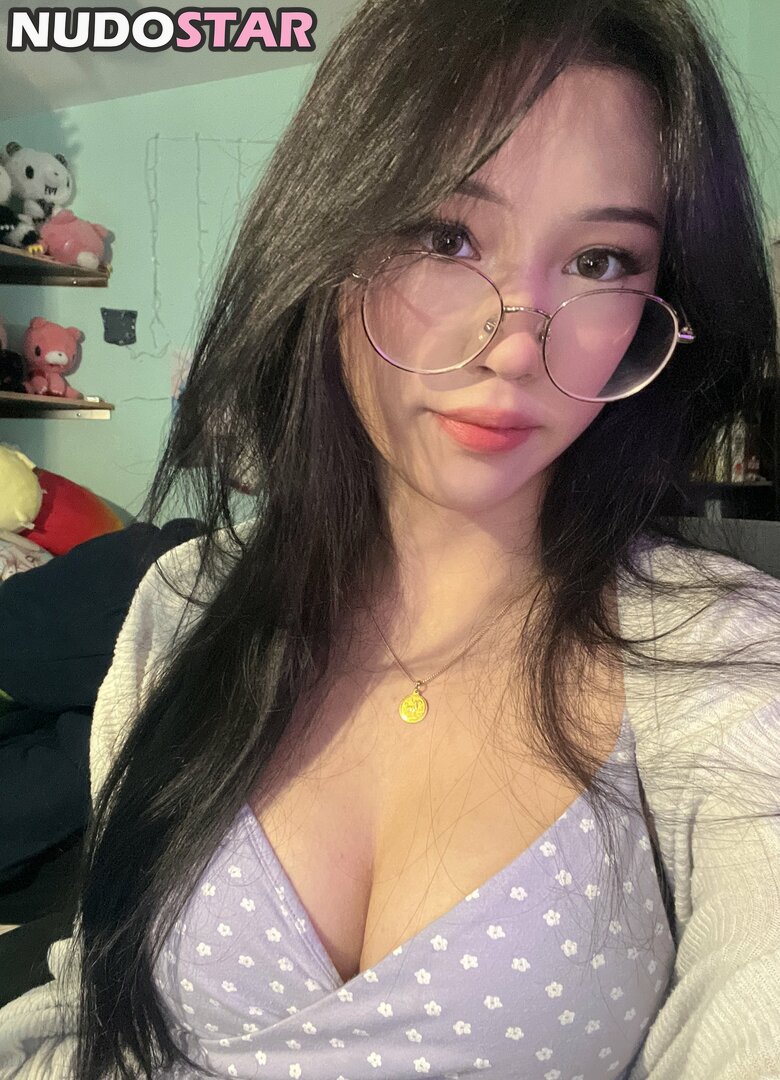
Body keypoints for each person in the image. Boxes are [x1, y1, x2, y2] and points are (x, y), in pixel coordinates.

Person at [1, 0, 779, 1077]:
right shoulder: (185, 603)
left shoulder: (725, 658)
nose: (516, 345)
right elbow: (90, 1007)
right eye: (447, 238)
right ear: (328, 244)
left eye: (602, 260)